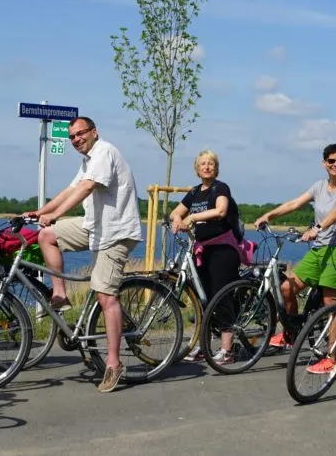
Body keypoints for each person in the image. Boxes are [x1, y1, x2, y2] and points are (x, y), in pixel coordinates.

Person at [26, 117, 141, 393]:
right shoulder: (87, 160)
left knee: (106, 295)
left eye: (80, 134)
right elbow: (71, 189)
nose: (76, 139)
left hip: (116, 233)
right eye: (72, 137)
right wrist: (42, 213)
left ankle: (113, 364)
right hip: (94, 228)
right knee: (47, 235)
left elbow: (87, 188)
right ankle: (60, 294)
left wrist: (55, 214)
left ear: (94, 132)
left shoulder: (104, 152)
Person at [253, 143, 336, 375]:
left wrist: (317, 228)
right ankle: (291, 334)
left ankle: (331, 355)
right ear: (324, 163)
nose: (335, 165)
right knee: (288, 288)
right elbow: (295, 203)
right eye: (331, 161)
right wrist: (269, 214)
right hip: (319, 249)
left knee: (330, 302)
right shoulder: (319, 186)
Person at [169, 149, 242, 363]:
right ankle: (203, 347)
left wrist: (191, 217)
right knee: (202, 300)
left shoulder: (221, 188)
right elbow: (176, 212)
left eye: (211, 163)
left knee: (220, 296)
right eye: (203, 163)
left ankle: (227, 350)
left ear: (216, 168)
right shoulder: (194, 192)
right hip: (202, 250)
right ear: (197, 168)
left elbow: (220, 211)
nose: (207, 167)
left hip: (223, 250)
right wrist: (176, 220)